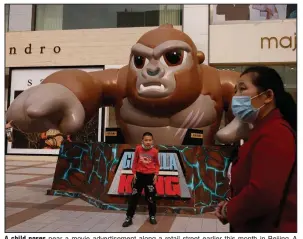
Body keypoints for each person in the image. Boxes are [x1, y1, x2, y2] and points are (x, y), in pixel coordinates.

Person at [215, 66, 297, 232]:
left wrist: (229, 210)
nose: (235, 97)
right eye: (235, 90)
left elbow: (263, 194)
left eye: (243, 89)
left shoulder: (275, 133)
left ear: (267, 96)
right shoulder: (260, 130)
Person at [122, 132, 160, 227]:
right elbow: (135, 161)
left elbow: (157, 164)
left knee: (151, 198)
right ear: (142, 140)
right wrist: (134, 173)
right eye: (146, 140)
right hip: (139, 176)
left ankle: (152, 216)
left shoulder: (155, 151)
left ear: (152, 141)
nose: (148, 142)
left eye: (150, 140)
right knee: (133, 197)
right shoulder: (138, 148)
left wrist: (156, 174)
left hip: (150, 176)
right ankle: (129, 217)